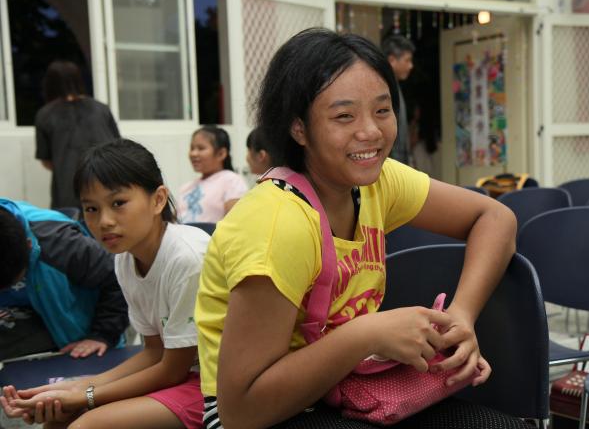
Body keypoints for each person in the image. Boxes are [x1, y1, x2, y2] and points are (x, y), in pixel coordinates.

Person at [195, 28, 524, 428]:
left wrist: (462, 316)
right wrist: (366, 334)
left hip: (342, 382)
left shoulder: (376, 183)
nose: (371, 131)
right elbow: (241, 411)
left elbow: (495, 218)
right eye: (344, 116)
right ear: (298, 128)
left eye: (382, 110)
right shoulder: (278, 225)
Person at [1, 139, 210, 429]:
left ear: (158, 199)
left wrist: (86, 396)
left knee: (85, 425)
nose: (104, 221)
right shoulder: (124, 259)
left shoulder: (187, 258)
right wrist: (77, 387)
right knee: (59, 421)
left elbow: (173, 370)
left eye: (118, 203)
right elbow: (153, 352)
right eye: (91, 208)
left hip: (215, 385)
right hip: (181, 377)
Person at [0, 198, 128, 361]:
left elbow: (118, 277)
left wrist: (102, 335)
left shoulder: (64, 246)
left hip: (71, 321)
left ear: (29, 246)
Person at [35, 60, 120, 209]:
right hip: (110, 187)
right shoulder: (101, 109)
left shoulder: (45, 114)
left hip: (68, 195)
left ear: (49, 84)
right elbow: (119, 147)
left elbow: (46, 161)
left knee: (69, 223)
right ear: (79, 80)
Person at [177, 126, 248, 223]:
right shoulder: (186, 187)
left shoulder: (232, 181)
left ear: (221, 153)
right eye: (192, 148)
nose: (193, 153)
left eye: (201, 148)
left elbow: (234, 223)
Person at [381, 35, 415, 166]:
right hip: (391, 163)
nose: (411, 66)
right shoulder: (384, 87)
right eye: (407, 60)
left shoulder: (394, 84)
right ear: (392, 60)